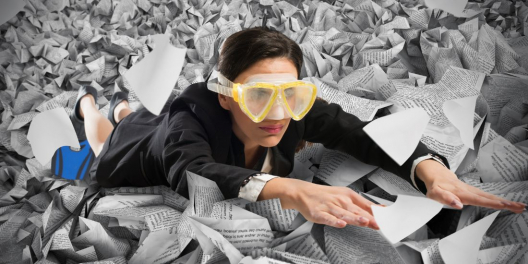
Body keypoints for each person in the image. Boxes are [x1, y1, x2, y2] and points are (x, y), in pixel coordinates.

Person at [73, 27, 525, 230]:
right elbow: (192, 171)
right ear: (227, 94)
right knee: (107, 137)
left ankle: (125, 111)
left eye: (289, 94)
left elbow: (361, 131)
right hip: (138, 151)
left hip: (163, 128)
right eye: (257, 96)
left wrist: (426, 166)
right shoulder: (189, 123)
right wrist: (290, 191)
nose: (277, 114)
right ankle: (91, 106)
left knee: (136, 117)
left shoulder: (292, 106)